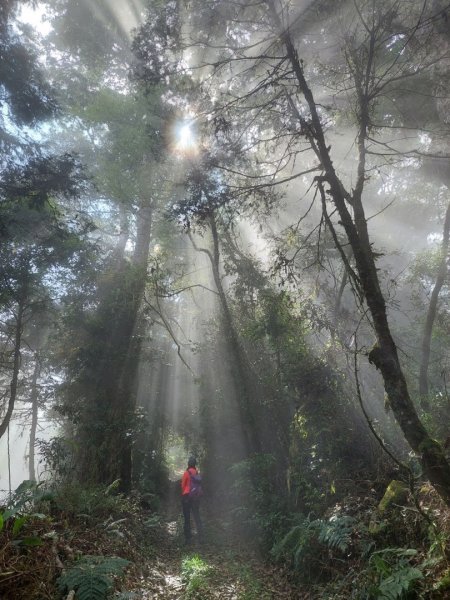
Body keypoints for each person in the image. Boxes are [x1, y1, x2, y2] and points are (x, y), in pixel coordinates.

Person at [181, 456, 203, 545]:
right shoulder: (197, 473)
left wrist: (186, 492)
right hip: (196, 497)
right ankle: (201, 537)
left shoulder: (186, 473)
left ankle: (188, 539)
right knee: (197, 516)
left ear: (188, 463)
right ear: (195, 464)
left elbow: (182, 486)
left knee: (187, 518)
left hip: (187, 497)